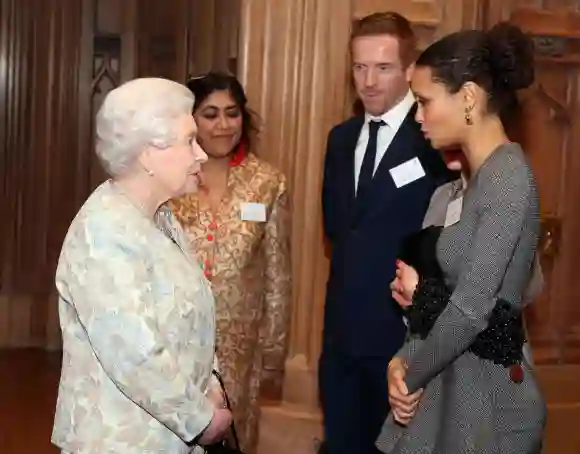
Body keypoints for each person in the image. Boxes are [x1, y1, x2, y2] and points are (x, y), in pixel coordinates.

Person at [376, 22, 547, 454]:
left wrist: (410, 378)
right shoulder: (479, 180)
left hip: (490, 405)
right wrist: (402, 363)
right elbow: (444, 297)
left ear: (468, 97)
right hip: (451, 388)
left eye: (424, 101)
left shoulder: (509, 177)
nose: (417, 116)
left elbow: (471, 313)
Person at [52, 77, 232, 454]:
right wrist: (200, 418)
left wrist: (212, 383)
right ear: (149, 153)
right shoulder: (103, 232)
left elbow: (193, 316)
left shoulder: (161, 217)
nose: (201, 154)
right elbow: (135, 354)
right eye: (189, 141)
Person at [319, 12, 456, 454]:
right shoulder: (340, 140)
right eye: (359, 67)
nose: (369, 81)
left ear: (410, 70)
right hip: (341, 344)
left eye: (383, 67)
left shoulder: (432, 140)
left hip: (401, 346)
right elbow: (337, 233)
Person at [169, 71, 292, 454]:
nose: (223, 124)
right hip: (176, 343)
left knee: (232, 441)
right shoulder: (170, 179)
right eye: (210, 114)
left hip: (240, 350)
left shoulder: (267, 182)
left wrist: (274, 351)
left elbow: (278, 273)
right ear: (191, 120)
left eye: (232, 113)